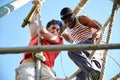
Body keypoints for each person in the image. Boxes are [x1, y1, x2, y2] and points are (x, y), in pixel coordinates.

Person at [15, 7, 63, 80]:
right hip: (29, 64)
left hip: (46, 67)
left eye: (58, 30)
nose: (55, 31)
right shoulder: (37, 37)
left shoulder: (58, 40)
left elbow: (43, 31)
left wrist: (41, 30)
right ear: (48, 28)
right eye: (53, 28)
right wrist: (35, 12)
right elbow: (32, 22)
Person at [60, 7, 102, 80]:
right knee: (81, 75)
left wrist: (96, 34)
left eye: (70, 20)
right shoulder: (67, 27)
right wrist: (62, 34)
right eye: (66, 22)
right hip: (81, 49)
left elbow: (99, 26)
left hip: (89, 42)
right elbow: (71, 40)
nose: (69, 23)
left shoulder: (81, 19)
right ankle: (93, 73)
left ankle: (91, 72)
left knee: (71, 50)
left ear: (73, 16)